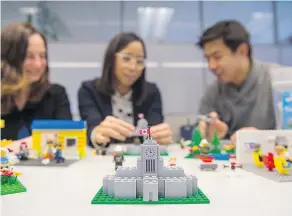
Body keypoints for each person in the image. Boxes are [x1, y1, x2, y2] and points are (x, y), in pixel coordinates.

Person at [78, 32, 173, 148]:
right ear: (111, 59)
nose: (133, 67)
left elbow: (153, 128)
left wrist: (160, 135)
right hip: (103, 159)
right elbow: (91, 127)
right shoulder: (89, 90)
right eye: (126, 59)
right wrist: (97, 134)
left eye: (139, 61)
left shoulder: (151, 92)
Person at [196, 20, 277, 143]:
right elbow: (197, 132)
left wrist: (264, 139)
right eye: (208, 59)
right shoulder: (213, 91)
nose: (211, 66)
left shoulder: (278, 82)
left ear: (242, 51)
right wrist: (205, 133)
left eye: (217, 57)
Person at [1, 22, 72, 148]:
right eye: (29, 56)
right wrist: (34, 142)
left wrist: (13, 147)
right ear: (10, 58)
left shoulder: (56, 94)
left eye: (42, 56)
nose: (38, 64)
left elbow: (69, 139)